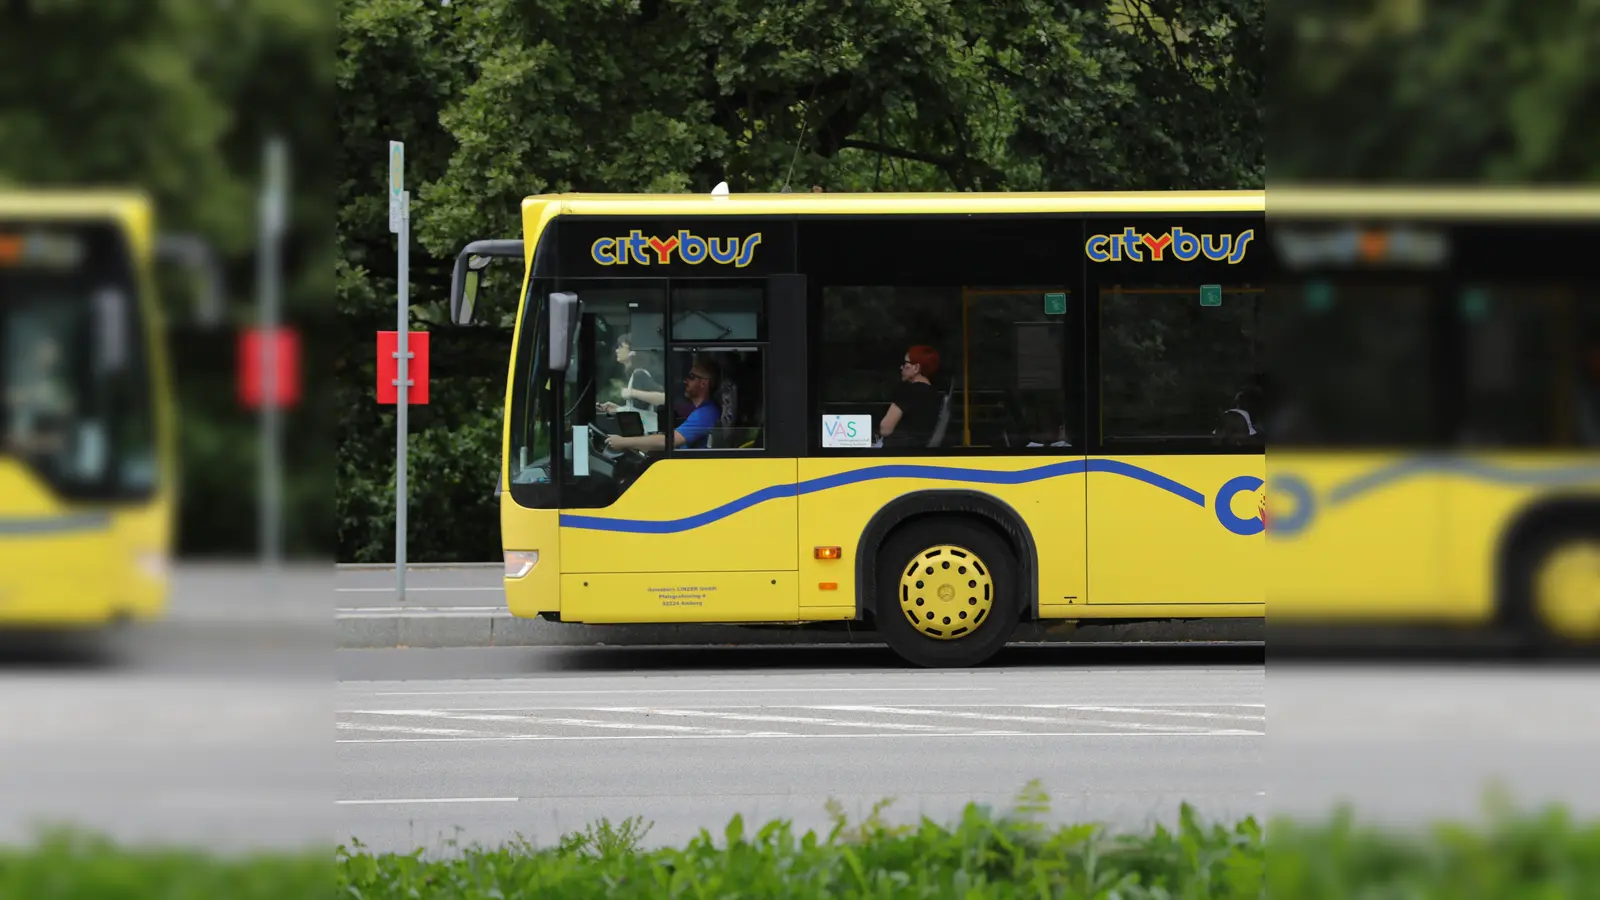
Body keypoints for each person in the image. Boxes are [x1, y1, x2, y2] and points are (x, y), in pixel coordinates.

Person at [605, 356, 721, 452]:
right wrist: (619, 409)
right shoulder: (695, 409)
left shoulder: (706, 413)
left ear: (704, 383)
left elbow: (670, 441)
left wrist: (623, 442)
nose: (685, 381)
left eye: (691, 377)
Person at [877, 345, 943, 449]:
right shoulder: (936, 394)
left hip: (897, 453)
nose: (901, 367)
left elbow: (885, 429)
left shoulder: (908, 391)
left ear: (916, 368)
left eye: (905, 363)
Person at [597, 333, 662, 431]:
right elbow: (637, 409)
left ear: (632, 351)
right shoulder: (634, 375)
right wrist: (618, 409)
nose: (617, 350)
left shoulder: (639, 374)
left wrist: (632, 393)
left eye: (620, 347)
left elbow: (663, 398)